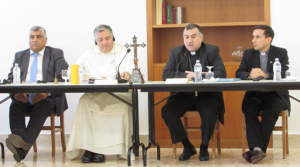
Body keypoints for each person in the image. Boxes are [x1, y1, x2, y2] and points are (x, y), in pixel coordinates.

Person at [66, 24, 134, 163]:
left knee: (122, 104)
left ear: (113, 38)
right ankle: (88, 149)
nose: (104, 42)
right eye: (100, 39)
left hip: (118, 94)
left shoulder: (124, 52)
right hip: (95, 93)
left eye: (107, 38)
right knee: (84, 101)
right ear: (96, 40)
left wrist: (127, 74)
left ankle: (100, 151)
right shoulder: (89, 53)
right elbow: (72, 71)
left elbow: (131, 71)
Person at [161, 23, 226, 161]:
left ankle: (204, 147)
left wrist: (199, 76)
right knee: (167, 111)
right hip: (183, 96)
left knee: (209, 112)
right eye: (186, 37)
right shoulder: (176, 52)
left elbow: (221, 73)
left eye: (193, 36)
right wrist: (186, 76)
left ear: (201, 37)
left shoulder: (212, 50)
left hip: (206, 95)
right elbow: (166, 74)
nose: (189, 40)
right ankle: (187, 146)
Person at [6, 26, 69, 162]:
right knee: (14, 106)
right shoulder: (19, 55)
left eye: (38, 37)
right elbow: (11, 78)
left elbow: (63, 78)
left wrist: (46, 93)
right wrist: (16, 93)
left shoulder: (56, 54)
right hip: (24, 96)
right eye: (32, 37)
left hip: (47, 97)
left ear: (45, 40)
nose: (35, 40)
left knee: (41, 108)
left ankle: (21, 150)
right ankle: (21, 146)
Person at [236, 25, 290, 164]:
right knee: (249, 108)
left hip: (275, 95)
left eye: (257, 36)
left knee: (270, 110)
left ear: (268, 39)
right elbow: (239, 73)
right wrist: (249, 74)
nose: (253, 40)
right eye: (253, 36)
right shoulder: (248, 53)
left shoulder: (281, 52)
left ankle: (256, 149)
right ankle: (258, 150)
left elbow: (284, 73)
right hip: (254, 94)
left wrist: (266, 75)